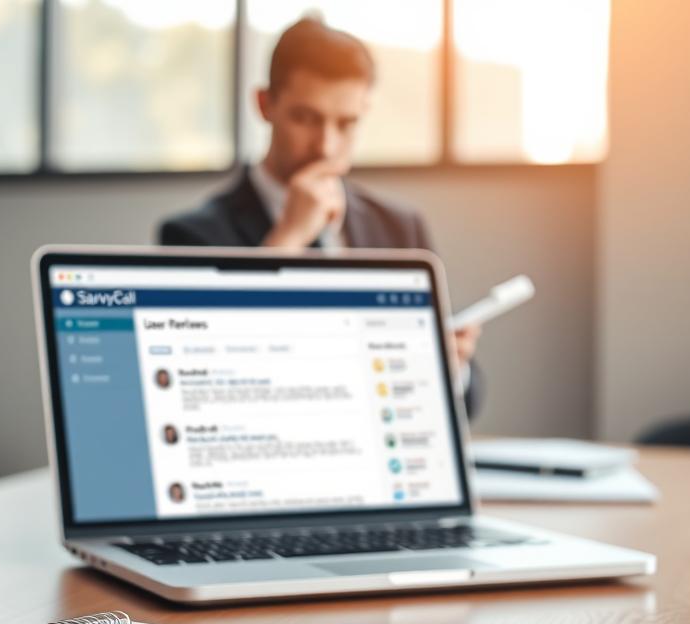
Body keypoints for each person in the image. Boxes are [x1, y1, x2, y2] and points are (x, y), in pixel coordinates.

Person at [159, 18, 484, 416]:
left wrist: (452, 367)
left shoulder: (400, 226)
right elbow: (204, 388)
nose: (326, 145)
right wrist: (287, 238)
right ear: (265, 105)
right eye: (306, 119)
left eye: (346, 124)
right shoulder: (193, 235)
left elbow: (462, 407)